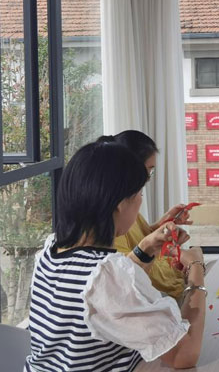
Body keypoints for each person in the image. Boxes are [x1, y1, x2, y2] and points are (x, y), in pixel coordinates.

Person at [26, 141, 206, 371]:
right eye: (139, 193)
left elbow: (106, 292)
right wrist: (196, 267)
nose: (140, 201)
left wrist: (147, 247)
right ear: (120, 204)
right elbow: (184, 354)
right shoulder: (106, 276)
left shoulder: (51, 249)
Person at [101, 130, 191, 299]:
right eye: (148, 170)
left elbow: (137, 237)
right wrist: (195, 267)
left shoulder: (125, 203)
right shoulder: (113, 212)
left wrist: (161, 225)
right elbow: (127, 275)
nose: (148, 178)